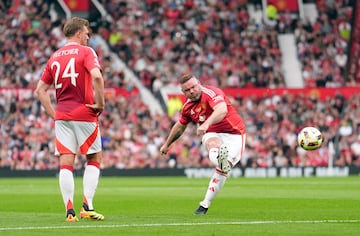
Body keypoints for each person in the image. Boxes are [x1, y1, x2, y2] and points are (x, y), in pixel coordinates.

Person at [35, 17, 105, 222]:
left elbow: (40, 90)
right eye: (87, 33)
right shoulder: (86, 52)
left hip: (63, 115)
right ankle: (87, 206)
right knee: (94, 158)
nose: (88, 37)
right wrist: (100, 104)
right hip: (84, 112)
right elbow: (97, 77)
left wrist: (54, 115)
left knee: (66, 161)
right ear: (78, 33)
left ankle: (69, 211)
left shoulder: (55, 56)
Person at [160, 74, 246, 215]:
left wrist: (205, 124)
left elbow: (222, 110)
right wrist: (167, 144)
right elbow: (180, 126)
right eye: (187, 90)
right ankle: (220, 159)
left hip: (234, 133)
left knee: (222, 170)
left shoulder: (212, 93)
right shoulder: (188, 107)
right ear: (183, 92)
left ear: (199, 83)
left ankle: (205, 203)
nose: (192, 91)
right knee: (213, 144)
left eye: (193, 87)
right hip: (212, 133)